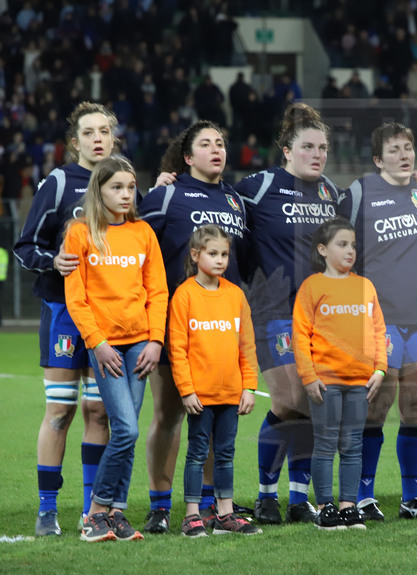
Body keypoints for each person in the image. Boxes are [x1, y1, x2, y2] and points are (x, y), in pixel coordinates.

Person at [139, 120, 249, 533]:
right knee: (169, 414)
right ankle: (160, 505)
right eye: (205, 144)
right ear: (188, 157)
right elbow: (138, 246)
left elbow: (244, 260)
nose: (216, 149)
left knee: (215, 419)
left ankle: (212, 506)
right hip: (177, 324)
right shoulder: (166, 194)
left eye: (221, 142)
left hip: (221, 327)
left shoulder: (237, 200)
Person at [13, 102, 117, 536]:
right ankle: (47, 510)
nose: (98, 139)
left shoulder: (123, 185)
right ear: (74, 142)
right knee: (60, 410)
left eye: (105, 132)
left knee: (99, 411)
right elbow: (24, 246)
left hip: (108, 315)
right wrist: (52, 261)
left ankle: (91, 511)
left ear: (113, 139)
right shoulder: (58, 183)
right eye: (89, 132)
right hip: (63, 314)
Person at [234, 103, 339, 525]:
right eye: (308, 146)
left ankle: (298, 499)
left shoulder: (331, 192)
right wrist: (172, 177)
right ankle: (265, 494)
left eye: (323, 147)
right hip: (272, 309)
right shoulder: (258, 187)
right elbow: (217, 201)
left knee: (312, 403)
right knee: (289, 398)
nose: (317, 154)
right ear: (286, 150)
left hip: (320, 314)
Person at [338, 122, 417, 520]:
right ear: (378, 159)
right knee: (377, 405)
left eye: (409, 147)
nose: (404, 155)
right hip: (379, 322)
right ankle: (363, 495)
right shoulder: (360, 193)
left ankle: (411, 497)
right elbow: (338, 250)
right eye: (394, 150)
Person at [63, 156, 168, 541]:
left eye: (129, 187)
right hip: (105, 345)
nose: (126, 194)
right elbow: (77, 298)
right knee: (125, 429)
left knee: (129, 430)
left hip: (141, 344)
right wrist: (97, 343)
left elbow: (158, 292)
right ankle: (95, 512)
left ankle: (117, 515)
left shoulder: (143, 233)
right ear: (99, 190)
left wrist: (156, 340)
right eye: (116, 187)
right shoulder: (79, 233)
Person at [293, 217, 387, 530]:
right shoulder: (312, 287)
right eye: (342, 245)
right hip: (326, 382)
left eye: (353, 246)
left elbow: (378, 329)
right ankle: (325, 508)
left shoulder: (366, 286)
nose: (350, 251)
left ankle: (348, 506)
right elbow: (300, 335)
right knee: (324, 445)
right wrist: (308, 376)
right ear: (322, 249)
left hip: (360, 382)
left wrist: (380, 369)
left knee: (352, 446)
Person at [169, 225, 261, 537]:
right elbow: (177, 349)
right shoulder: (184, 296)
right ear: (195, 255)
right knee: (197, 453)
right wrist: (186, 390)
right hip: (200, 396)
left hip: (230, 394)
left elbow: (247, 346)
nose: (220, 260)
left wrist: (249, 387)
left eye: (224, 254)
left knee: (225, 454)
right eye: (213, 253)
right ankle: (192, 515)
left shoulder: (235, 295)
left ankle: (225, 514)